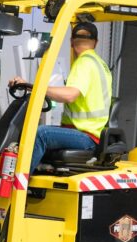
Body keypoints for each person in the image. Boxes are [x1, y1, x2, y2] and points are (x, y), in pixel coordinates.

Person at [9, 21, 112, 173]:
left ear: (71, 42)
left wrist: (36, 87)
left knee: (40, 134)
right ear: (95, 43)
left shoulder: (84, 62)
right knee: (37, 132)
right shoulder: (100, 64)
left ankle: (18, 186)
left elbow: (70, 95)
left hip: (86, 136)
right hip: (92, 134)